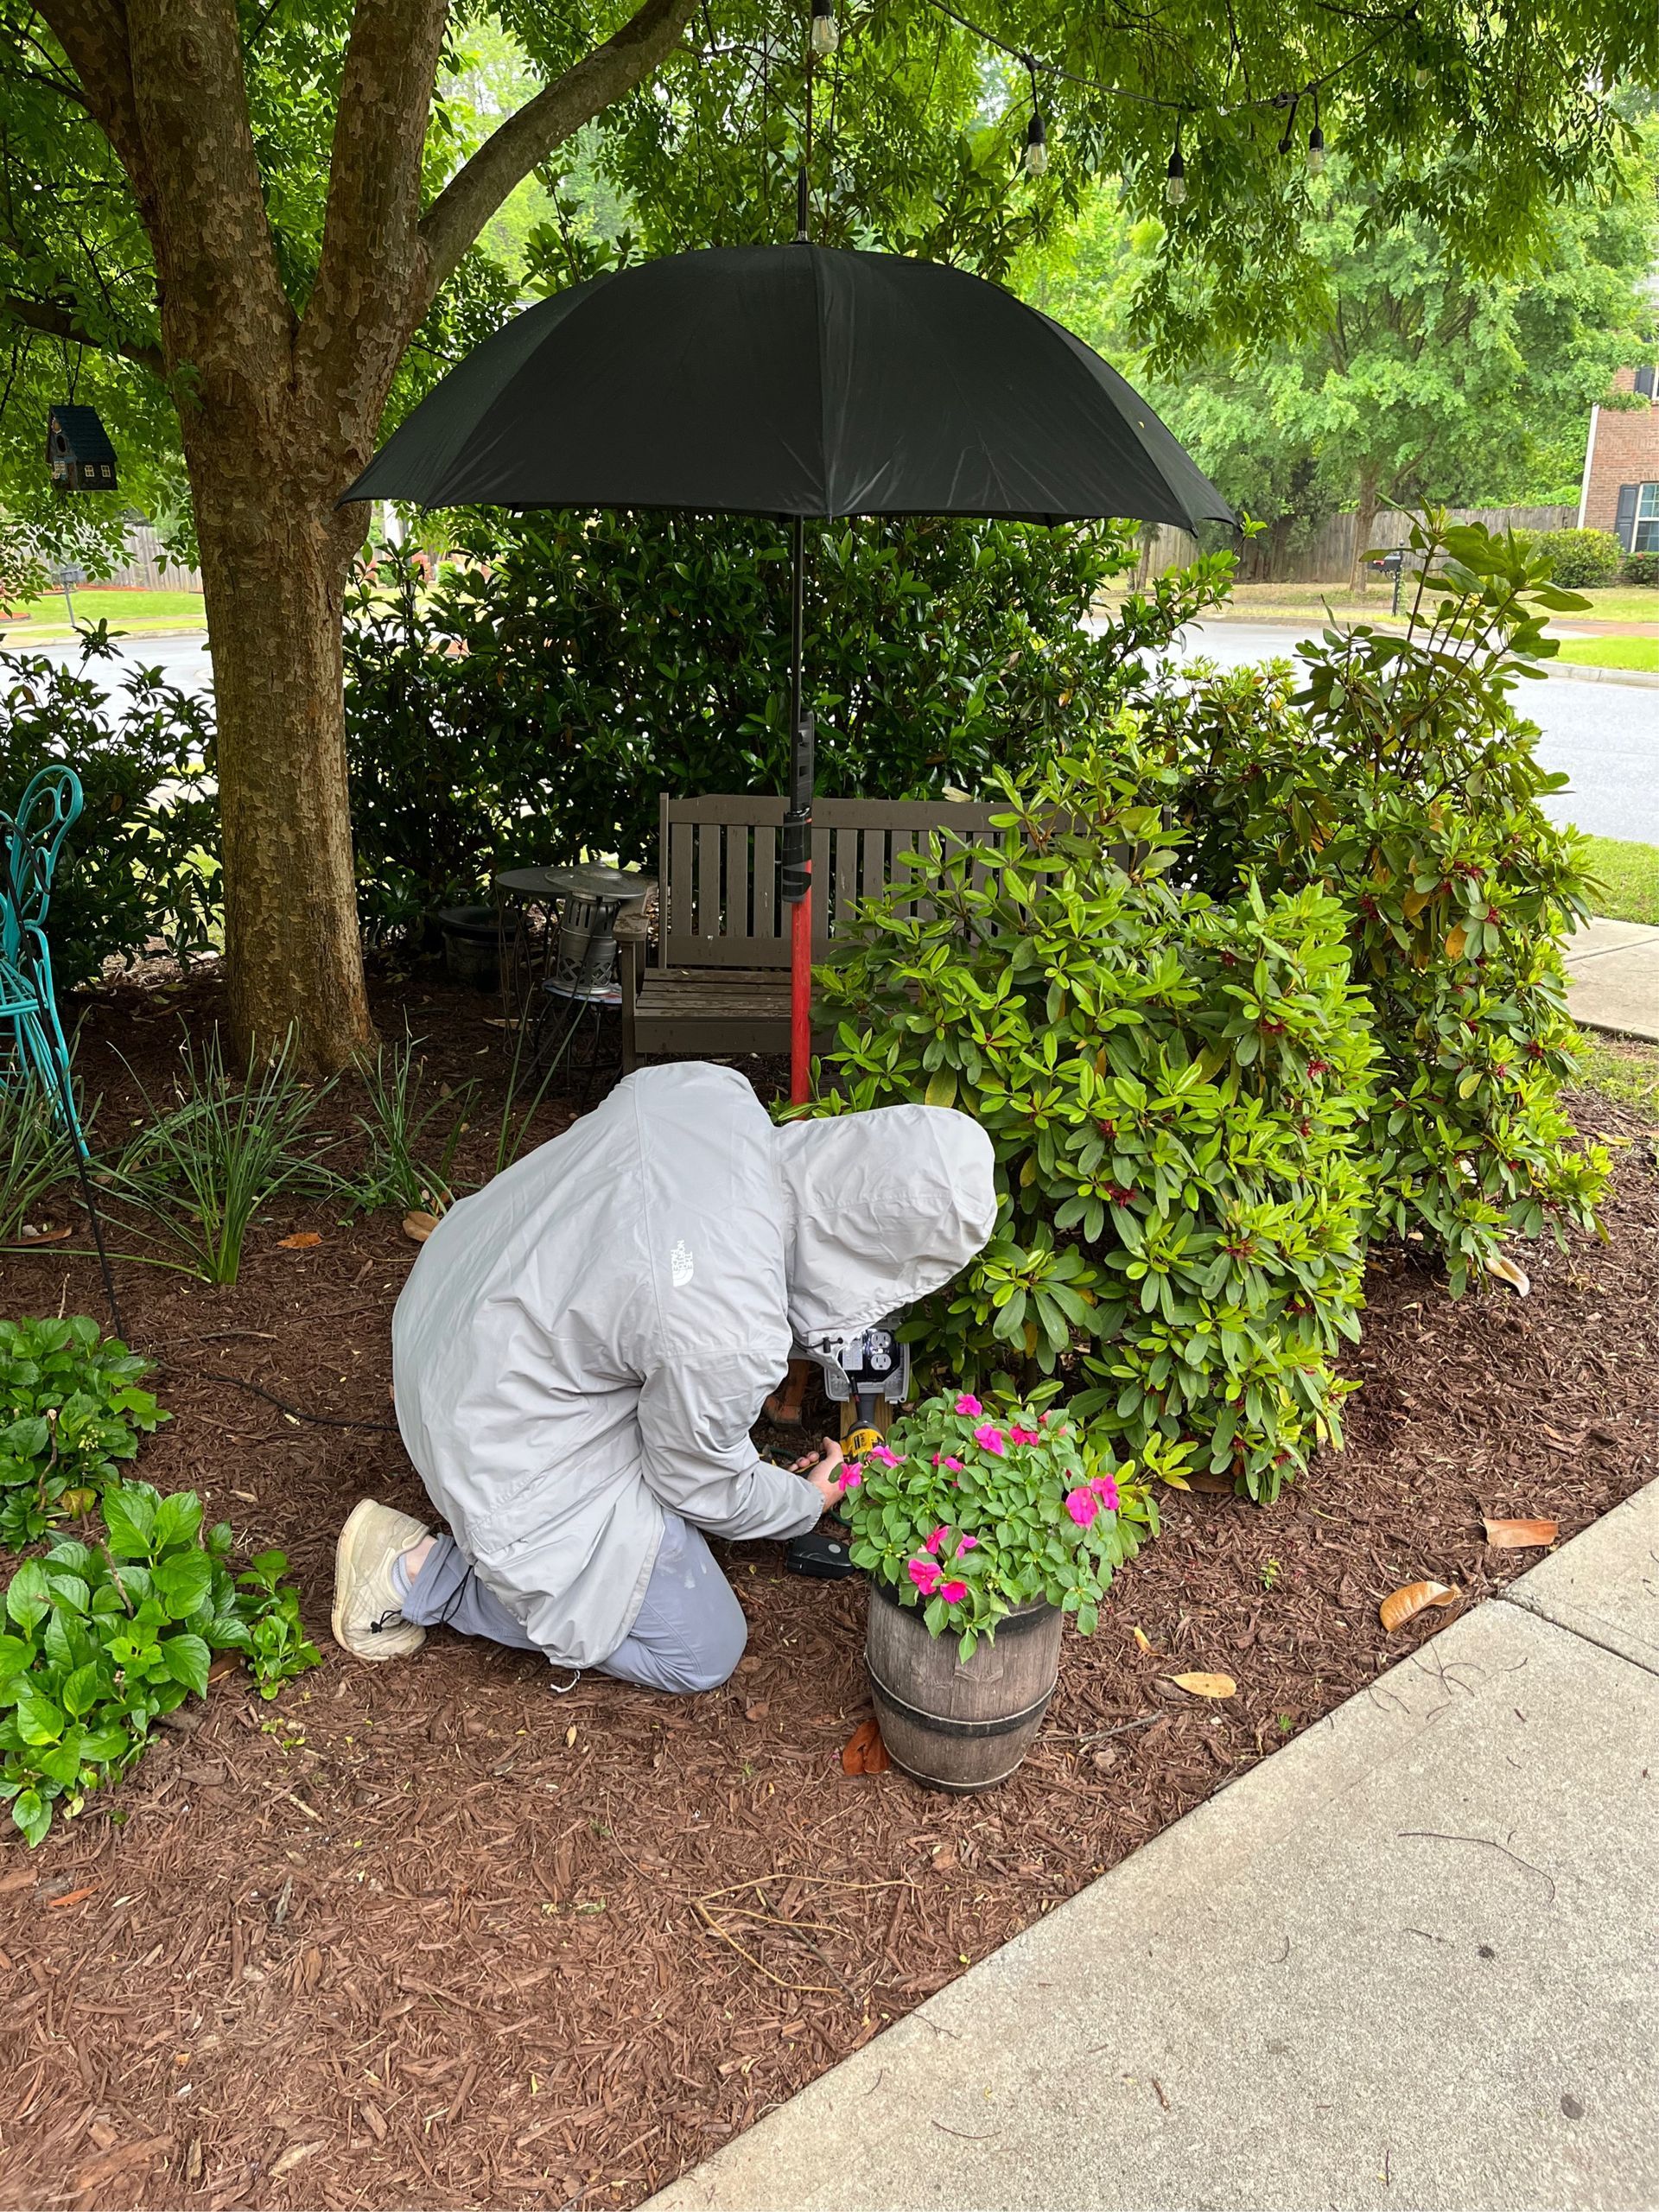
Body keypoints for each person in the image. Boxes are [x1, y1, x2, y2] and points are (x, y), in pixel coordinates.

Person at [331, 1061, 996, 1694]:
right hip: (494, 1427)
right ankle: (414, 1574)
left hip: (442, 1317)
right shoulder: (728, 1325)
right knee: (701, 1648)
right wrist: (807, 1504)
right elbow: (699, 1484)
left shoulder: (713, 1093)